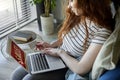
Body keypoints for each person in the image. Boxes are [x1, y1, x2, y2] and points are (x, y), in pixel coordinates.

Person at [11, 0, 115, 80]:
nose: (69, 5)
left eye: (72, 1)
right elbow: (65, 38)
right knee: (15, 75)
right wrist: (52, 45)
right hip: (56, 55)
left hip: (66, 65)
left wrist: (60, 52)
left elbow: (81, 69)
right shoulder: (80, 15)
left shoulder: (102, 32)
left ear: (88, 2)